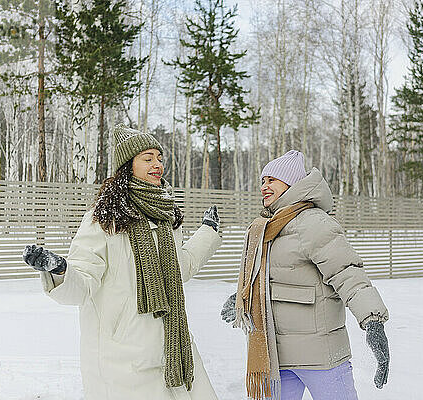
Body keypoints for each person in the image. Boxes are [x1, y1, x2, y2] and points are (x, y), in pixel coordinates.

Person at [23, 124, 222, 400]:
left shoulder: (164, 216)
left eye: (159, 158)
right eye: (148, 158)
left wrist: (208, 232)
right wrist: (59, 269)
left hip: (172, 347)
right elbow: (83, 283)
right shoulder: (104, 219)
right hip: (123, 356)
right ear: (128, 166)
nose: (157, 165)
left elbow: (180, 267)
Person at [220, 150, 389, 400]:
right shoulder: (267, 226)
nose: (264, 187)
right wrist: (242, 297)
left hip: (320, 356)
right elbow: (273, 276)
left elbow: (347, 272)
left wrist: (372, 321)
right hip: (275, 355)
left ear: (292, 183)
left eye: (272, 180)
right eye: (263, 181)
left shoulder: (313, 223)